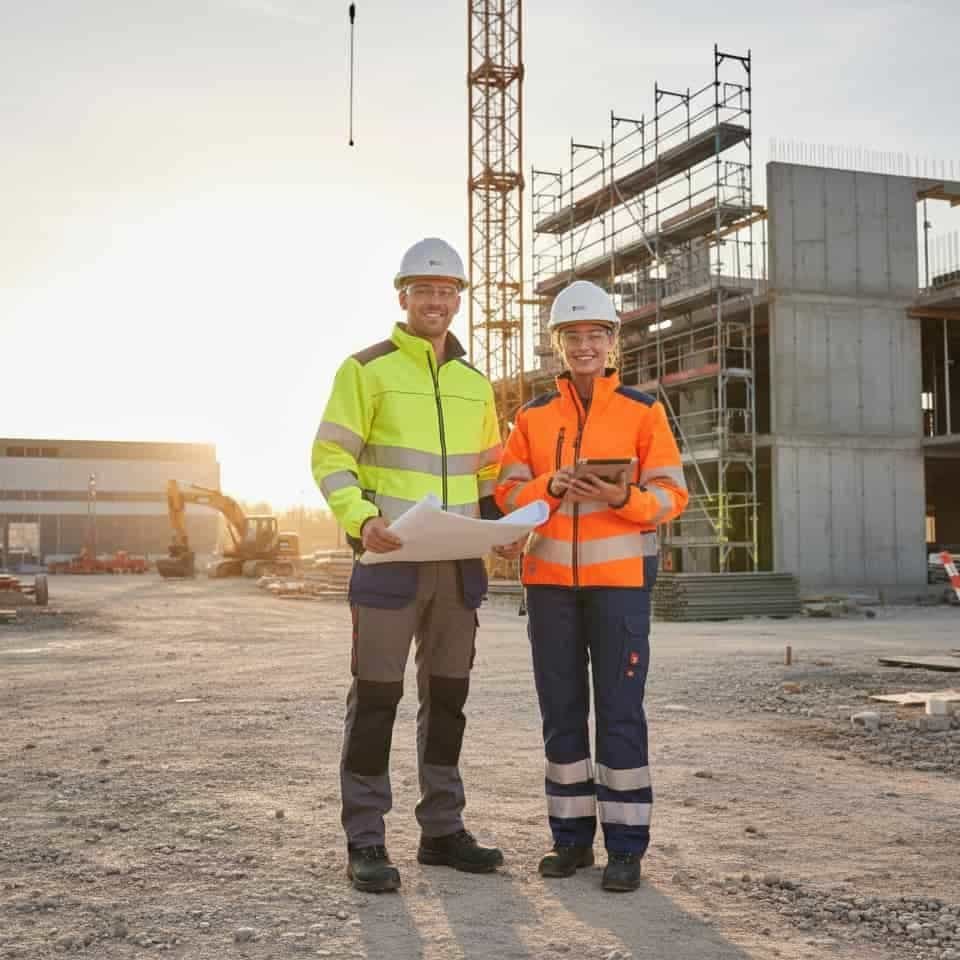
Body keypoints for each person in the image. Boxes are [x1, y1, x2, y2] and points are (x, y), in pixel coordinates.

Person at [311, 237, 519, 893]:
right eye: (424, 290)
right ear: (402, 296)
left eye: (448, 290)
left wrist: (504, 530)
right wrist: (360, 516)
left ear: (460, 299)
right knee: (376, 699)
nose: (437, 300)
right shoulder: (364, 370)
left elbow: (488, 476)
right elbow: (331, 459)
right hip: (388, 562)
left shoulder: (475, 384)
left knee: (448, 700)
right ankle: (366, 839)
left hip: (457, 567)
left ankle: (441, 829)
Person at [495, 280, 688, 892]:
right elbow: (506, 493)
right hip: (549, 584)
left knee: (621, 714)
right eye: (571, 337)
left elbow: (670, 495)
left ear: (612, 343)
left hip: (620, 588)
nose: (584, 346)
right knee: (561, 715)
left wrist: (620, 497)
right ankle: (571, 841)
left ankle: (626, 848)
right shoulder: (529, 417)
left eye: (595, 336)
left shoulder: (642, 410)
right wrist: (550, 486)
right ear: (557, 345)